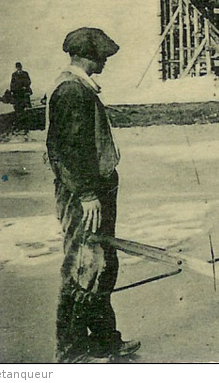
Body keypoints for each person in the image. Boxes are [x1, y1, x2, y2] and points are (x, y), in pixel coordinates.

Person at [46, 28, 140, 363]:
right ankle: (72, 353)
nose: (105, 62)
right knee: (84, 266)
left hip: (93, 192)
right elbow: (69, 151)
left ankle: (103, 342)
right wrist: (87, 194)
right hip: (83, 196)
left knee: (101, 265)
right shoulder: (73, 91)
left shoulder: (78, 87)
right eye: (102, 57)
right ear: (90, 56)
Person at [9, 62, 33, 132]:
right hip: (18, 94)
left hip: (24, 92)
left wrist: (25, 86)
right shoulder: (14, 75)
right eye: (17, 67)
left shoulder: (25, 73)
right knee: (19, 108)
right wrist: (13, 91)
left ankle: (28, 123)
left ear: (21, 67)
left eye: (20, 67)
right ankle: (20, 124)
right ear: (16, 68)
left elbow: (29, 81)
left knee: (27, 107)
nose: (19, 68)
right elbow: (12, 84)